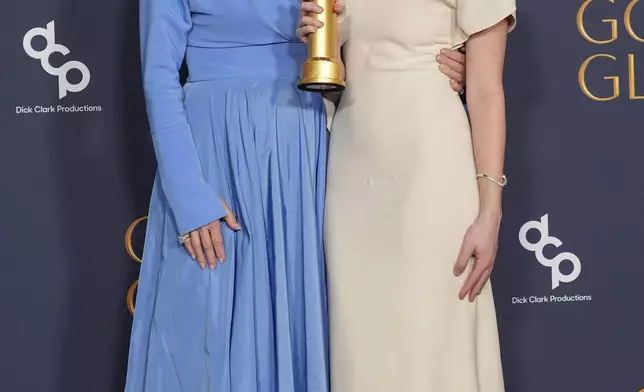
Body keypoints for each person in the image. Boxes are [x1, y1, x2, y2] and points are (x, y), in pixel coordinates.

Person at [124, 0, 467, 390]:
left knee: (301, 326)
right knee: (207, 336)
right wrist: (188, 194)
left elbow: (375, 32)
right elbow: (158, 75)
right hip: (214, 156)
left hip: (304, 151)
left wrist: (443, 61)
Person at [297, 0, 515, 391]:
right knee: (361, 349)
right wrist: (318, 51)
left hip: (429, 171)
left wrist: (490, 212)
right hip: (352, 175)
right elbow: (345, 76)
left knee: (430, 338)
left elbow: (486, 92)